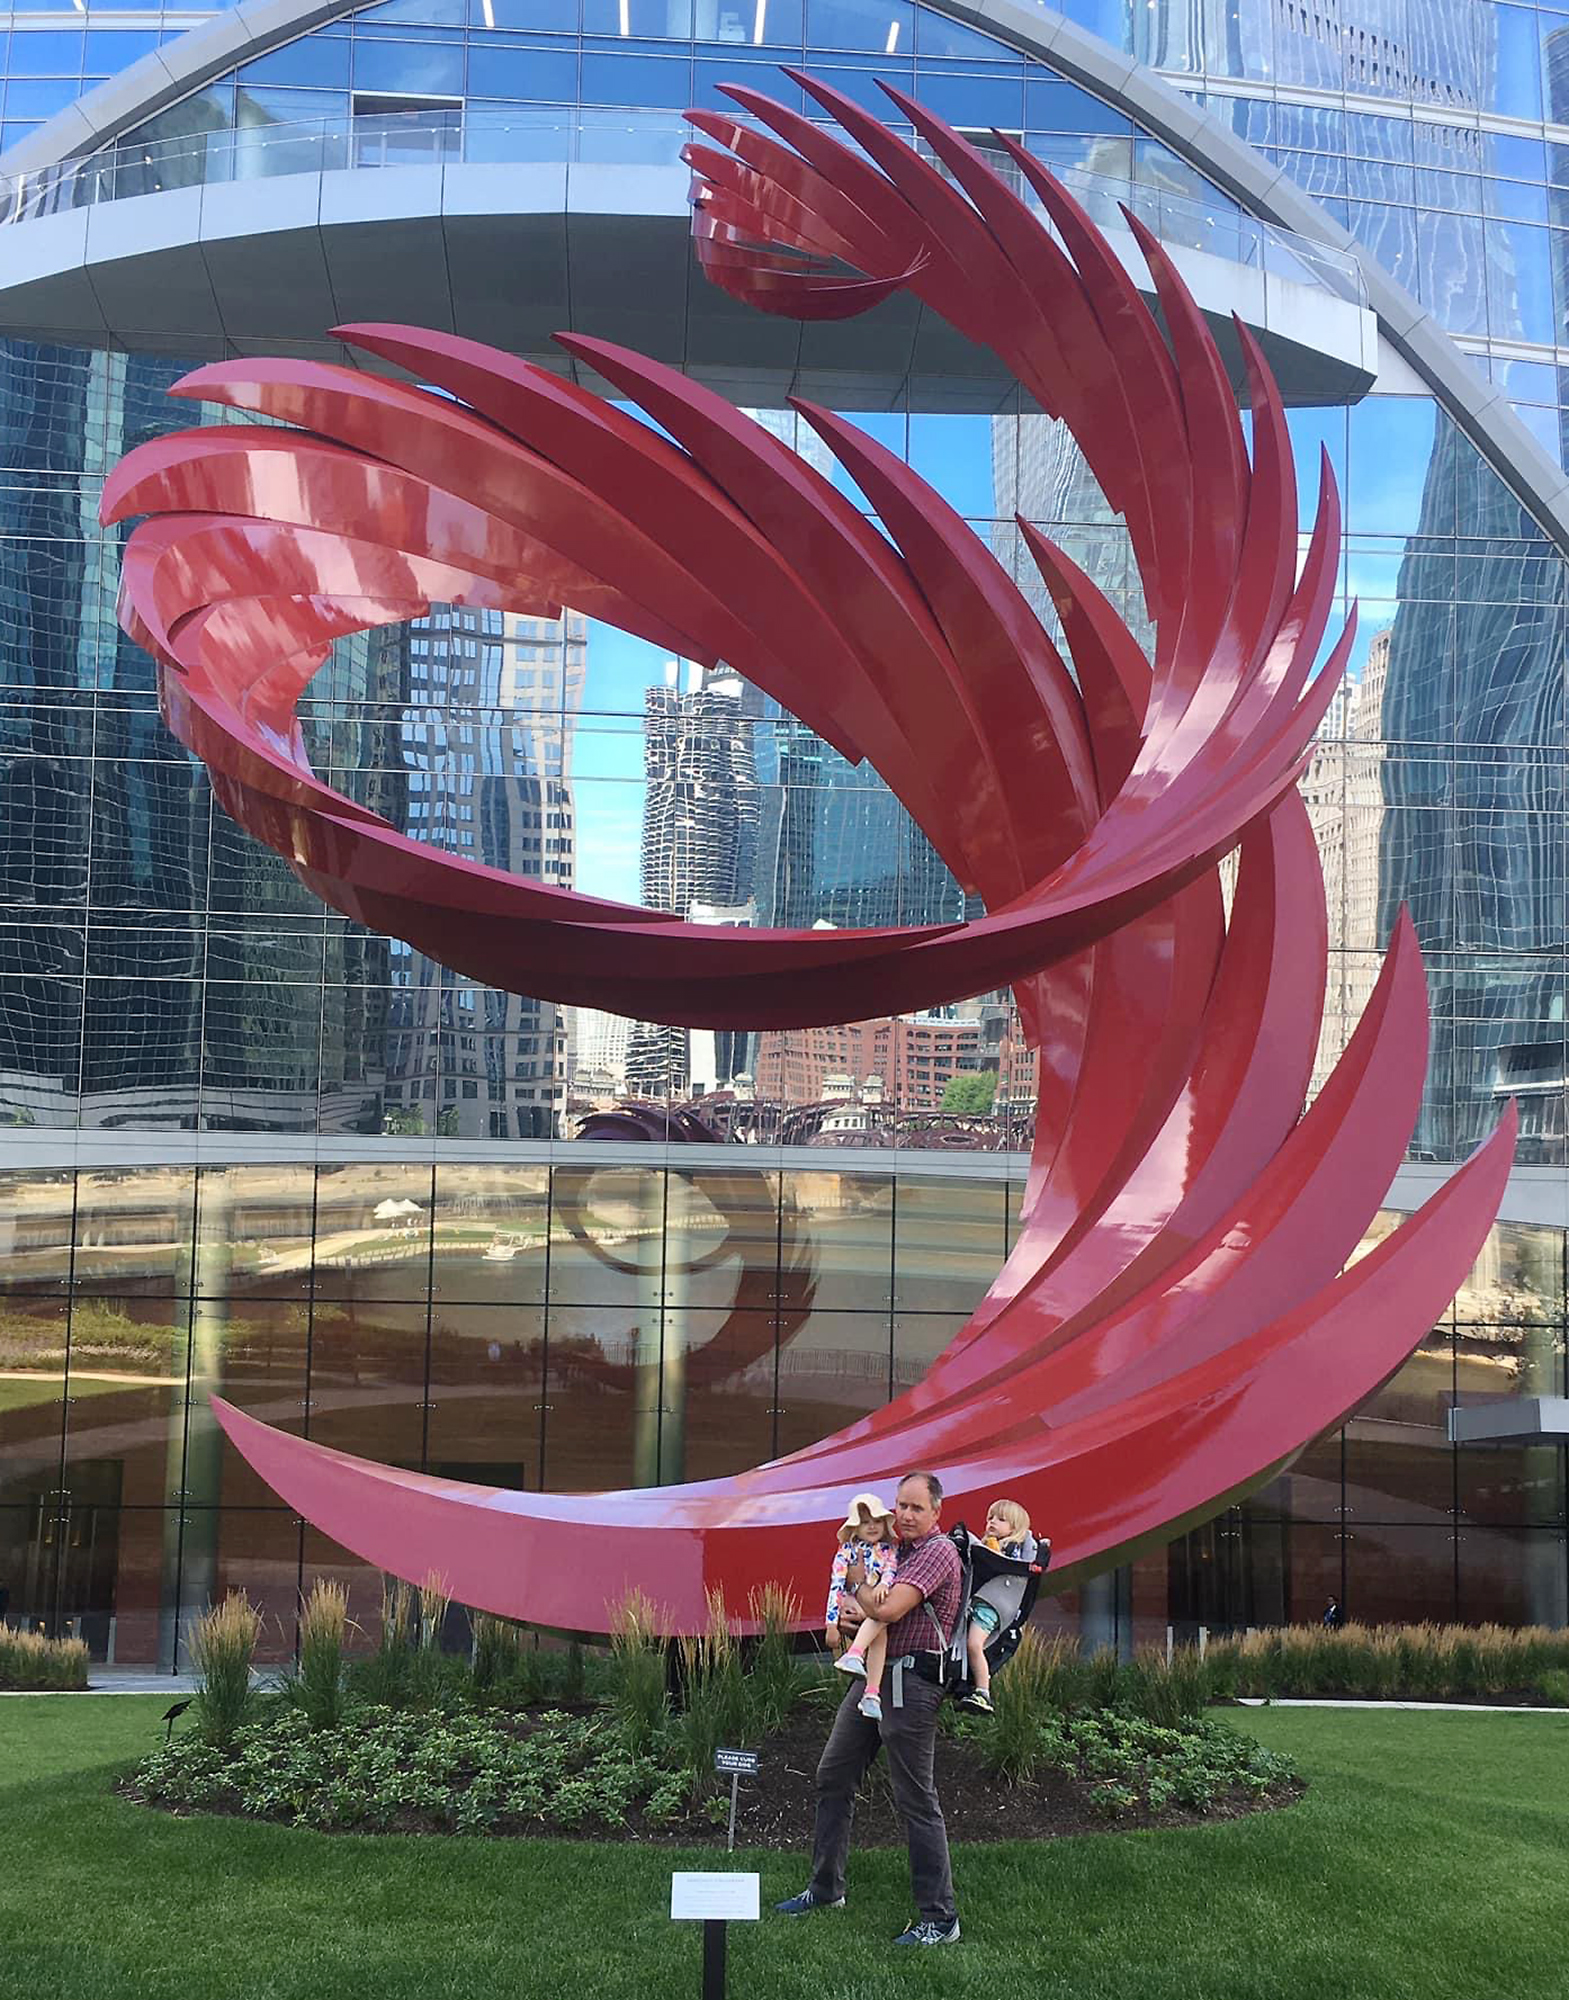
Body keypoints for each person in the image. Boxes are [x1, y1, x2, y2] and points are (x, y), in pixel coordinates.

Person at [776, 1471, 964, 1948]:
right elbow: (861, 1611)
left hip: (913, 1685)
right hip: (874, 1682)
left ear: (936, 1512)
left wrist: (859, 1588)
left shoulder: (937, 1552)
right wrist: (860, 1600)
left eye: (916, 1507)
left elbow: (888, 1609)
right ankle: (825, 1890)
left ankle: (940, 1919)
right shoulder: (896, 1551)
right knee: (833, 1774)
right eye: (900, 1505)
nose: (905, 1514)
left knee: (916, 1799)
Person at [824, 1493, 900, 1722]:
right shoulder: (845, 1552)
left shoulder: (889, 1550)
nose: (872, 1526)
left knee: (881, 1630)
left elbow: (891, 1570)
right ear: (855, 1527)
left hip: (875, 1601)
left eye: (877, 1521)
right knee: (880, 1621)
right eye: (865, 1522)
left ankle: (871, 1692)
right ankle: (855, 1654)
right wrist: (831, 1623)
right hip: (854, 1602)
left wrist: (884, 1585)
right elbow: (836, 1584)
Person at [958, 1497, 1036, 1716]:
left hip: (991, 1607)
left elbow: (1011, 1568)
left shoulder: (1013, 1549)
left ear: (1015, 1527)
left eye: (1000, 1519)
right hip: (977, 1604)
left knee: (974, 1645)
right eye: (990, 1518)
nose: (992, 1522)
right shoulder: (985, 1545)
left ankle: (983, 1692)